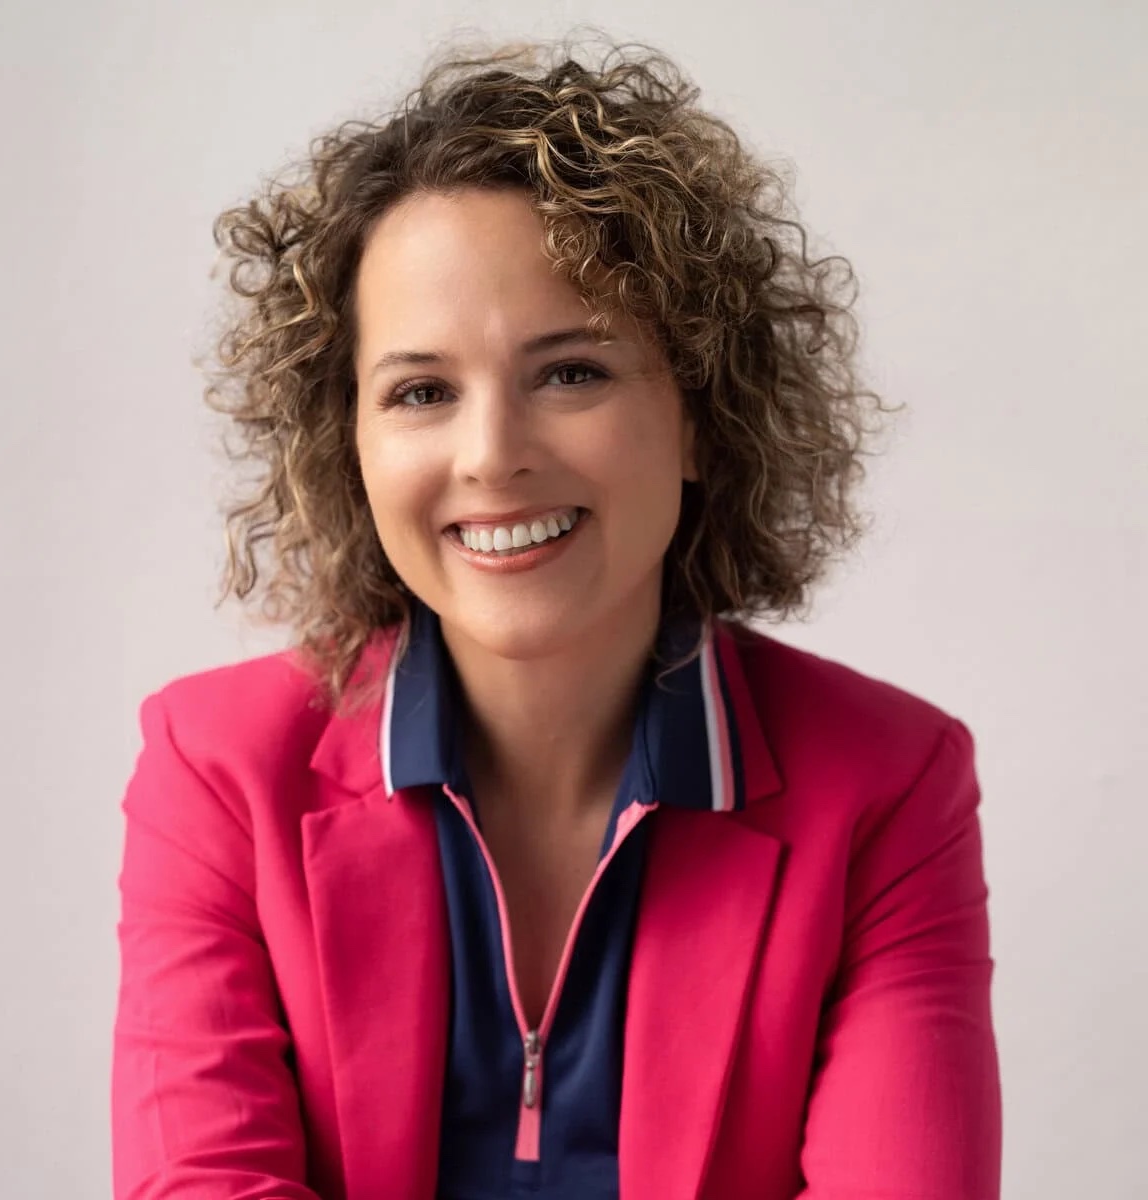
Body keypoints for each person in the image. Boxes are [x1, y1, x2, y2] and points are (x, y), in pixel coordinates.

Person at [111, 37, 1002, 1200]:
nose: (491, 458)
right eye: (421, 392)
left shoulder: (888, 787)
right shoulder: (218, 773)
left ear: (699, 413)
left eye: (571, 372)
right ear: (353, 448)